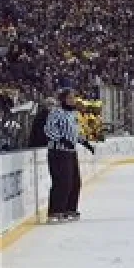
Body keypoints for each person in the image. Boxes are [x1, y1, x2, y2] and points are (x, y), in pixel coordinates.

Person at [43, 87, 94, 223]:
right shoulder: (56, 112)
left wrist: (84, 142)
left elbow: (75, 132)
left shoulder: (72, 114)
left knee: (75, 182)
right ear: (63, 99)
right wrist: (61, 140)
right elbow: (48, 129)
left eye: (73, 97)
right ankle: (55, 212)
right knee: (62, 182)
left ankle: (69, 209)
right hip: (58, 152)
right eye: (70, 98)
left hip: (71, 153)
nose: (73, 100)